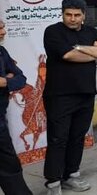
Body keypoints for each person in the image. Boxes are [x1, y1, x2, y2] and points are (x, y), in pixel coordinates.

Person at [43, 0, 97, 194]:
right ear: (62, 14)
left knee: (77, 137)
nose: (72, 19)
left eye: (76, 15)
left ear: (83, 16)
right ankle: (53, 182)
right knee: (58, 139)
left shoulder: (91, 31)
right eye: (68, 15)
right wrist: (94, 52)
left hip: (86, 94)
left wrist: (80, 48)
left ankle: (71, 175)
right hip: (59, 96)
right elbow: (68, 55)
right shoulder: (53, 32)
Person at [0, 19, 33, 195]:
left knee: (9, 166)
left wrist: (5, 80)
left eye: (3, 27)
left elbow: (20, 79)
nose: (3, 32)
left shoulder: (2, 51)